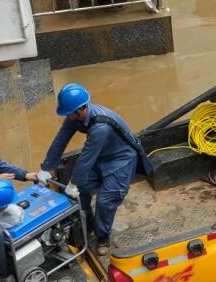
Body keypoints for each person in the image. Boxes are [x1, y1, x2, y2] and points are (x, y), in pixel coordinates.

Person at [39, 83, 152, 256]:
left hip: (120, 160)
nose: (67, 117)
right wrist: (46, 168)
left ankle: (102, 236)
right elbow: (61, 139)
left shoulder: (100, 126)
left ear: (81, 109)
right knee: (81, 190)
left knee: (106, 200)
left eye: (69, 114)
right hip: (102, 156)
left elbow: (86, 158)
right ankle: (88, 222)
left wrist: (73, 182)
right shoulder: (74, 116)